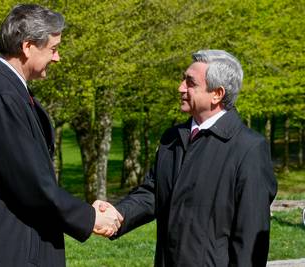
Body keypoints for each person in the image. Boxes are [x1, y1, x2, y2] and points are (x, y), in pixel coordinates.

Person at [0, 4, 122, 267]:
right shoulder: (1, 98)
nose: (58, 58)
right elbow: (32, 186)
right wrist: (90, 218)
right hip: (7, 254)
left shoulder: (2, 89)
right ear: (28, 46)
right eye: (53, 49)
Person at [98, 49, 277, 266]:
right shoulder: (171, 139)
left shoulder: (248, 148)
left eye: (190, 83)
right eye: (183, 79)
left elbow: (250, 238)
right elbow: (154, 193)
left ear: (217, 94)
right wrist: (118, 214)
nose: (180, 87)